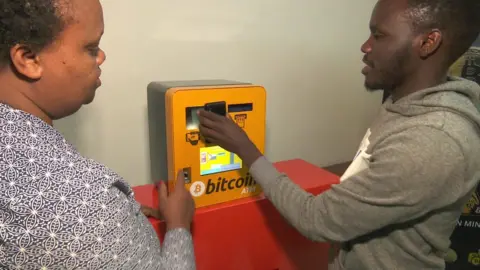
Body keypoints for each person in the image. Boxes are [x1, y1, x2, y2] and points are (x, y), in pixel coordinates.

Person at [197, 0, 480, 269]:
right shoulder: (405, 104)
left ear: (428, 42)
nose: (365, 46)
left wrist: (245, 149)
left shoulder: (431, 141)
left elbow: (315, 219)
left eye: (379, 36)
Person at [0, 0, 196, 269]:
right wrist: (178, 226)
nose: (101, 57)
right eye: (91, 48)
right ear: (28, 59)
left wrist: (124, 216)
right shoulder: (81, 204)